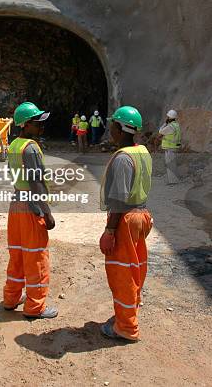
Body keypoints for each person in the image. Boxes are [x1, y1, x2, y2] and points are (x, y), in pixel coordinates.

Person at [99, 105, 153, 342]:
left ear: (119, 128)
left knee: (121, 273)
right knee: (136, 267)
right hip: (141, 216)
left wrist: (110, 230)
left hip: (126, 220)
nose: (109, 129)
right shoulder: (142, 152)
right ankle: (128, 314)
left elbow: (119, 200)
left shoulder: (122, 159)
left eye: (112, 125)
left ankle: (126, 327)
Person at [3, 101, 58, 319]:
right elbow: (36, 182)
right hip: (31, 207)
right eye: (37, 123)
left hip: (16, 204)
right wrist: (47, 212)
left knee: (17, 254)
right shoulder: (31, 148)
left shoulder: (15, 145)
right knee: (36, 257)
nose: (41, 127)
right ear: (26, 125)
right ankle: (35, 307)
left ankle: (11, 298)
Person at [158, 109, 181, 186]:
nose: (167, 117)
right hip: (173, 147)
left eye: (168, 116)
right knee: (172, 163)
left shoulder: (170, 126)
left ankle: (173, 181)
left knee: (170, 164)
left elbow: (160, 131)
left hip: (170, 147)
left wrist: (165, 123)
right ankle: (175, 180)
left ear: (170, 117)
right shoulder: (176, 125)